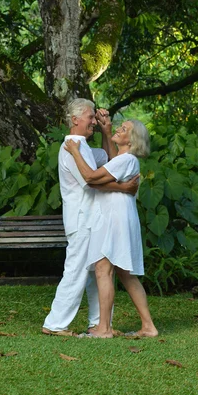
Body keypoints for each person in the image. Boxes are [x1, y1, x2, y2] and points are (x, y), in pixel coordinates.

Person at [42, 99, 139, 336]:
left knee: (98, 274)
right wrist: (123, 188)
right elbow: (91, 180)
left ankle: (100, 324)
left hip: (92, 220)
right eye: (90, 117)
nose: (93, 122)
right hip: (81, 219)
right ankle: (55, 324)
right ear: (75, 120)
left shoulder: (83, 146)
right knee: (75, 271)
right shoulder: (71, 146)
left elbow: (109, 159)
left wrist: (107, 131)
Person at [64, 119, 158, 339]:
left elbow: (90, 177)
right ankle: (148, 326)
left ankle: (103, 328)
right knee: (126, 274)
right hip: (120, 216)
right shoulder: (125, 160)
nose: (119, 129)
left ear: (132, 140)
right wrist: (106, 132)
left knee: (102, 269)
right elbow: (110, 162)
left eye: (123, 130)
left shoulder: (126, 159)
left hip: (114, 219)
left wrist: (75, 151)